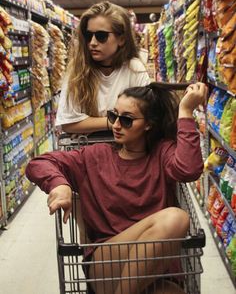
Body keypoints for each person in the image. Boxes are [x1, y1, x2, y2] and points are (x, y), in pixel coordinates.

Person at [26, 81, 207, 294]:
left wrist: (185, 112)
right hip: (108, 265)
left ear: (148, 124)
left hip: (156, 269)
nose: (116, 125)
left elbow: (189, 170)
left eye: (127, 120)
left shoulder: (162, 153)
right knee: (175, 218)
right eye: (113, 116)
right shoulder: (95, 156)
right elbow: (38, 164)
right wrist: (60, 185)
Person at [56, 0, 150, 134]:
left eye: (101, 36)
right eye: (89, 36)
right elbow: (68, 123)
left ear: (121, 39)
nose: (92, 43)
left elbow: (146, 116)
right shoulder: (77, 71)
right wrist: (117, 122)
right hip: (85, 150)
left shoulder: (134, 68)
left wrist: (90, 122)